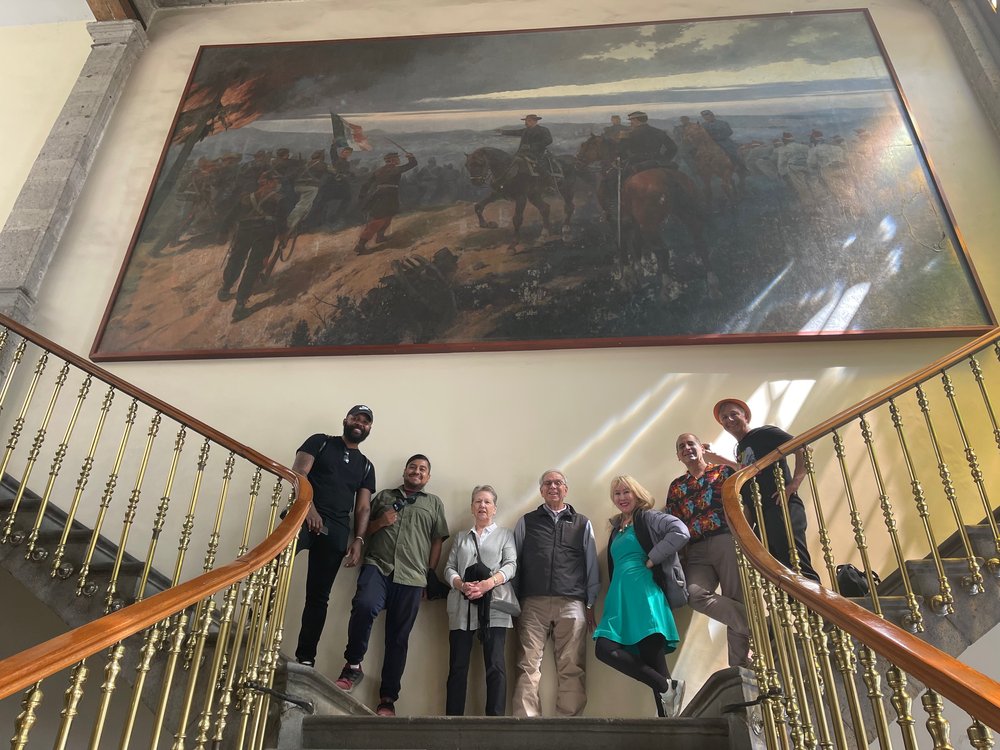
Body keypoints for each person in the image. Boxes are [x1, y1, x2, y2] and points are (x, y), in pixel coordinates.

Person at [334, 454, 450, 717]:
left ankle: (387, 698)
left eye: (423, 469)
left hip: (412, 576)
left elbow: (437, 541)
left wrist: (428, 576)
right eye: (413, 467)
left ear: (428, 477)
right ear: (405, 471)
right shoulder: (384, 496)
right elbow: (363, 530)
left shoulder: (433, 503)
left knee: (398, 637)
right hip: (378, 566)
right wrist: (379, 522)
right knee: (364, 606)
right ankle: (353, 665)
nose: (417, 471)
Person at [595, 475, 689, 717]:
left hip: (645, 596)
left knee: (655, 664)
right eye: (617, 494)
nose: (622, 497)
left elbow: (680, 531)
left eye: (626, 492)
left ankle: (669, 728)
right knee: (604, 649)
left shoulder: (648, 517)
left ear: (637, 493)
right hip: (620, 600)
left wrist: (653, 557)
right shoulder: (617, 528)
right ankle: (667, 687)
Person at [292, 405, 376, 668]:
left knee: (318, 597)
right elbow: (298, 474)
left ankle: (306, 657)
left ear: (369, 428)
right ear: (346, 420)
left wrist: (359, 540)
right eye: (355, 418)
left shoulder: (366, 466)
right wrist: (309, 509)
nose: (359, 423)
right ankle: (255, 618)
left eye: (365, 421)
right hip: (302, 516)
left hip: (337, 530)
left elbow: (363, 507)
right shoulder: (321, 442)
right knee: (274, 571)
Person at [511, 470, 600, 717]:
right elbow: (515, 562)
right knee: (527, 666)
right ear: (541, 490)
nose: (553, 486)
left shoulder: (582, 522)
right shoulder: (526, 521)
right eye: (547, 483)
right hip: (532, 602)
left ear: (565, 489)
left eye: (558, 482)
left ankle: (569, 729)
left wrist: (590, 603)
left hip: (572, 602)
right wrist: (515, 604)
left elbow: (591, 563)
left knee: (572, 667)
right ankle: (527, 727)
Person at [665, 433, 750, 668]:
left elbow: (746, 476)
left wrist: (719, 457)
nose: (686, 448)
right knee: (694, 594)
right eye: (681, 446)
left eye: (690, 443)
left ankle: (739, 667)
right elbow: (675, 522)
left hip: (725, 538)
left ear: (701, 448)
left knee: (736, 597)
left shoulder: (722, 472)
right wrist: (679, 558)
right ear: (678, 456)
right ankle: (760, 627)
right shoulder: (677, 486)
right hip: (696, 550)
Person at [711, 398, 820, 582]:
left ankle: (820, 609)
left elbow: (803, 447)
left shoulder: (765, 433)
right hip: (762, 517)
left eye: (734, 414)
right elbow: (747, 478)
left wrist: (793, 485)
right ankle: (800, 611)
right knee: (779, 573)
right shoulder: (740, 450)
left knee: (797, 566)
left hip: (781, 507)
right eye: (724, 418)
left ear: (745, 416)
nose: (729, 420)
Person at [443, 485, 517, 716]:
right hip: (462, 606)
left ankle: (495, 723)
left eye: (487, 502)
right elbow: (449, 568)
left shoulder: (505, 534)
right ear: (472, 508)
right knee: (457, 667)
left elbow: (511, 565)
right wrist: (461, 584)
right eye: (477, 502)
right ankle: (452, 720)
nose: (482, 506)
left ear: (494, 508)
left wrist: (487, 584)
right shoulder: (461, 537)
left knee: (495, 666)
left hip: (494, 607)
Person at [218, 170, 288, 322]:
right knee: (253, 268)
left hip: (244, 232)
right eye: (275, 181)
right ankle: (240, 306)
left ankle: (225, 289)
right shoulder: (279, 199)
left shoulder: (245, 198)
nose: (277, 183)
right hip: (264, 234)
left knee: (236, 260)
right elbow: (281, 221)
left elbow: (231, 216)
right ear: (268, 182)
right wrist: (282, 237)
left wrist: (223, 230)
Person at [353, 151, 418, 254]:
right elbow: (412, 165)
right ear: (392, 160)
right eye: (397, 158)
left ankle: (380, 237)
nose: (398, 160)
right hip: (387, 196)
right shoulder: (394, 169)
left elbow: (366, 184)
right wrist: (411, 157)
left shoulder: (378, 171)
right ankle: (360, 245)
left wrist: (362, 195)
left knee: (387, 217)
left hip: (384, 195)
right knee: (378, 220)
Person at [498, 114, 553, 183]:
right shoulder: (525, 130)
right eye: (526, 121)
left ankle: (549, 184)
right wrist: (503, 132)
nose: (526, 123)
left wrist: (531, 146)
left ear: (535, 121)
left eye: (529, 121)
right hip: (523, 153)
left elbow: (549, 140)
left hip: (538, 154)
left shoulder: (543, 130)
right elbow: (515, 132)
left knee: (541, 169)